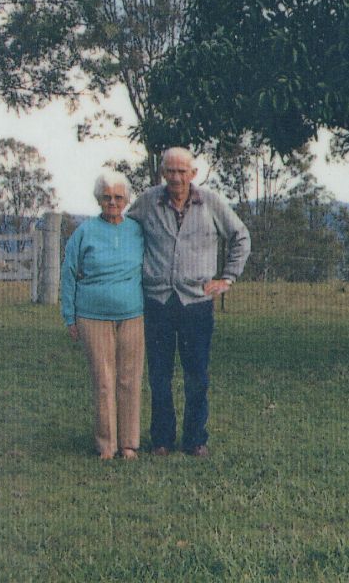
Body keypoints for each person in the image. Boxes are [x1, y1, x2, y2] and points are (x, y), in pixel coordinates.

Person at [126, 147, 250, 458]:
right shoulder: (147, 202)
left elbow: (240, 236)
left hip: (197, 303)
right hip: (157, 301)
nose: (176, 177)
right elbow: (126, 231)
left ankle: (195, 439)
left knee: (197, 375)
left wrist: (227, 278)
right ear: (162, 173)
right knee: (159, 375)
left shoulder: (210, 202)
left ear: (193, 174)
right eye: (170, 171)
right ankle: (162, 440)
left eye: (183, 171)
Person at [60, 171, 145, 460]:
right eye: (107, 197)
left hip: (133, 315)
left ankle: (129, 443)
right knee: (104, 381)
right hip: (92, 316)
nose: (112, 202)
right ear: (99, 199)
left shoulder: (136, 230)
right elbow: (68, 273)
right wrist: (69, 317)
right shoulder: (84, 232)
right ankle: (106, 445)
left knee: (129, 379)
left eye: (118, 197)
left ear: (127, 200)